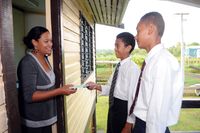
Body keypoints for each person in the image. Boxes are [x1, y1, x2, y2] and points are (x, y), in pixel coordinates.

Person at [129, 12, 184, 133]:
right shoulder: (153, 60)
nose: (135, 36)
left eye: (138, 31)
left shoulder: (162, 62)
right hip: (142, 124)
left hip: (150, 127)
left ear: (150, 30)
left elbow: (157, 111)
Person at [17, 26, 77, 133]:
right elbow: (30, 96)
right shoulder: (28, 63)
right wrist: (60, 90)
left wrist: (64, 90)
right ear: (35, 42)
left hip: (45, 120)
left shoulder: (44, 58)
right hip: (34, 123)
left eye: (51, 41)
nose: (51, 44)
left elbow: (48, 88)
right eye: (46, 41)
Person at [87, 32, 140, 133]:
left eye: (117, 45)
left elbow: (133, 99)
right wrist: (95, 86)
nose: (115, 48)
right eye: (114, 45)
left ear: (128, 48)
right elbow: (110, 88)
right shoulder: (118, 66)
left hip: (123, 111)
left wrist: (129, 124)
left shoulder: (133, 69)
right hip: (113, 108)